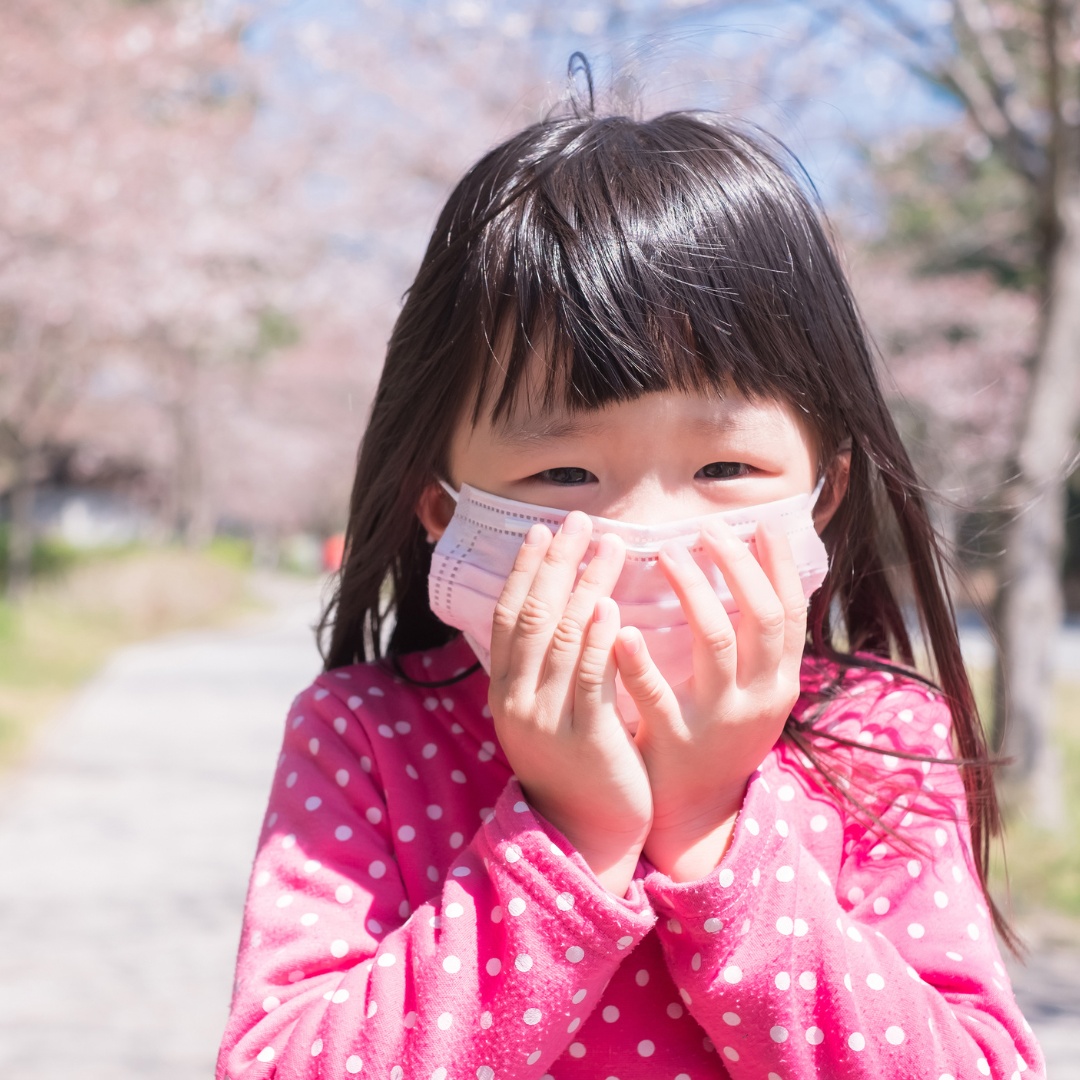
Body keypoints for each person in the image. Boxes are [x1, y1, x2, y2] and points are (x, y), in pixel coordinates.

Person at [217, 97, 1045, 1080]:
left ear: (826, 492)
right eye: (563, 476)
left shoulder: (881, 739)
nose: (646, 534)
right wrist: (569, 838)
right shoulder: (368, 739)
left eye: (726, 470)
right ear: (439, 506)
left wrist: (709, 832)